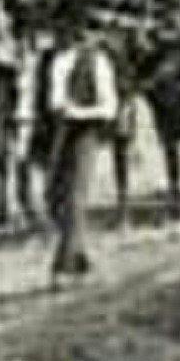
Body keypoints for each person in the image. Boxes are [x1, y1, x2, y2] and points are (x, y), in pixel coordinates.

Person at [43, 18, 121, 283]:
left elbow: (109, 107)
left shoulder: (99, 63)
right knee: (53, 197)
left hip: (85, 132)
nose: (80, 36)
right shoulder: (56, 60)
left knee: (75, 196)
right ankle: (80, 259)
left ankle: (62, 266)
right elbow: (51, 99)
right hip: (59, 129)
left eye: (86, 32)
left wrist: (79, 112)